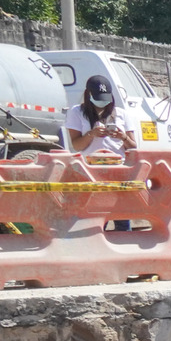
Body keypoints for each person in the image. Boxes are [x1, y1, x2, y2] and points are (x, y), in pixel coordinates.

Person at [65, 74, 141, 232]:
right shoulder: (77, 112)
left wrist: (123, 137)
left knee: (121, 215)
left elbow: (133, 147)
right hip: (91, 171)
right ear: (89, 95)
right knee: (96, 215)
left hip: (117, 171)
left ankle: (123, 245)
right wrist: (91, 134)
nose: (103, 103)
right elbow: (77, 145)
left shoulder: (122, 114)